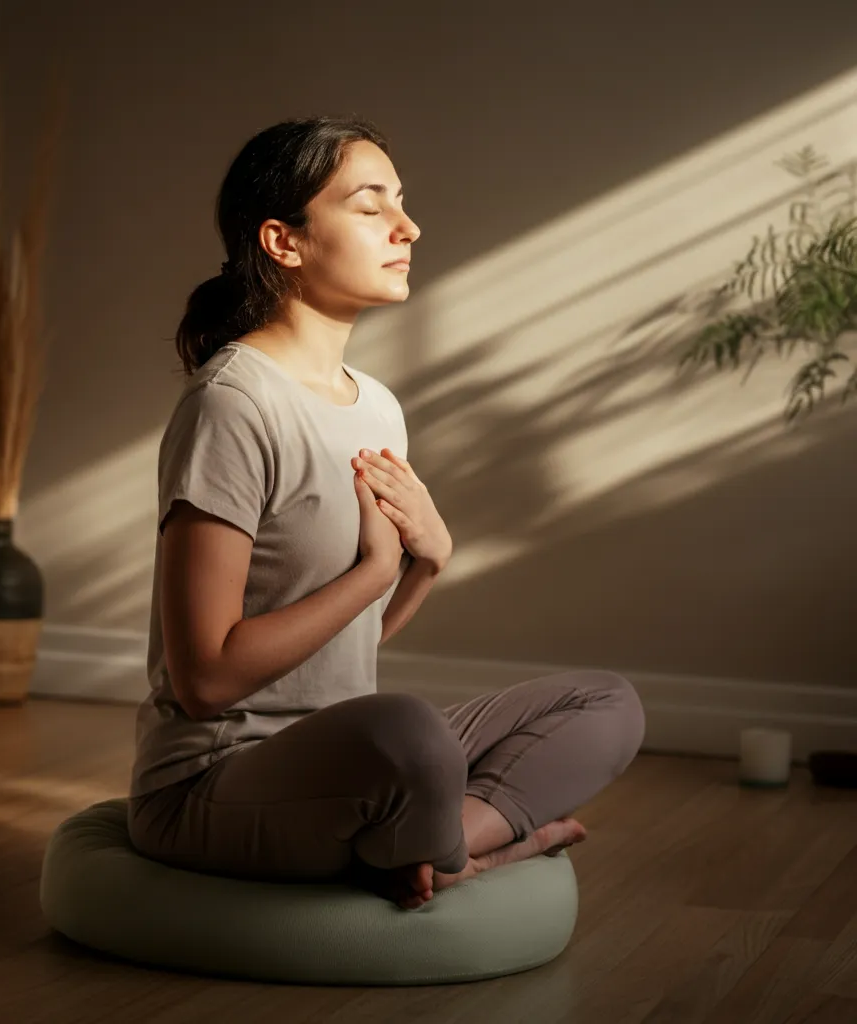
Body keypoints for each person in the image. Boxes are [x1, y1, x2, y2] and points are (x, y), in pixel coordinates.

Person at [127, 116, 646, 910]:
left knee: (606, 703)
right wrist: (378, 570)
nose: (409, 227)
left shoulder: (378, 407)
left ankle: (430, 848)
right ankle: (475, 850)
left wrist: (429, 563)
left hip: (345, 756)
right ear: (284, 240)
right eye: (371, 206)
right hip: (215, 779)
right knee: (409, 732)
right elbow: (204, 681)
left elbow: (336, 650)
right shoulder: (232, 405)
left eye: (400, 204)